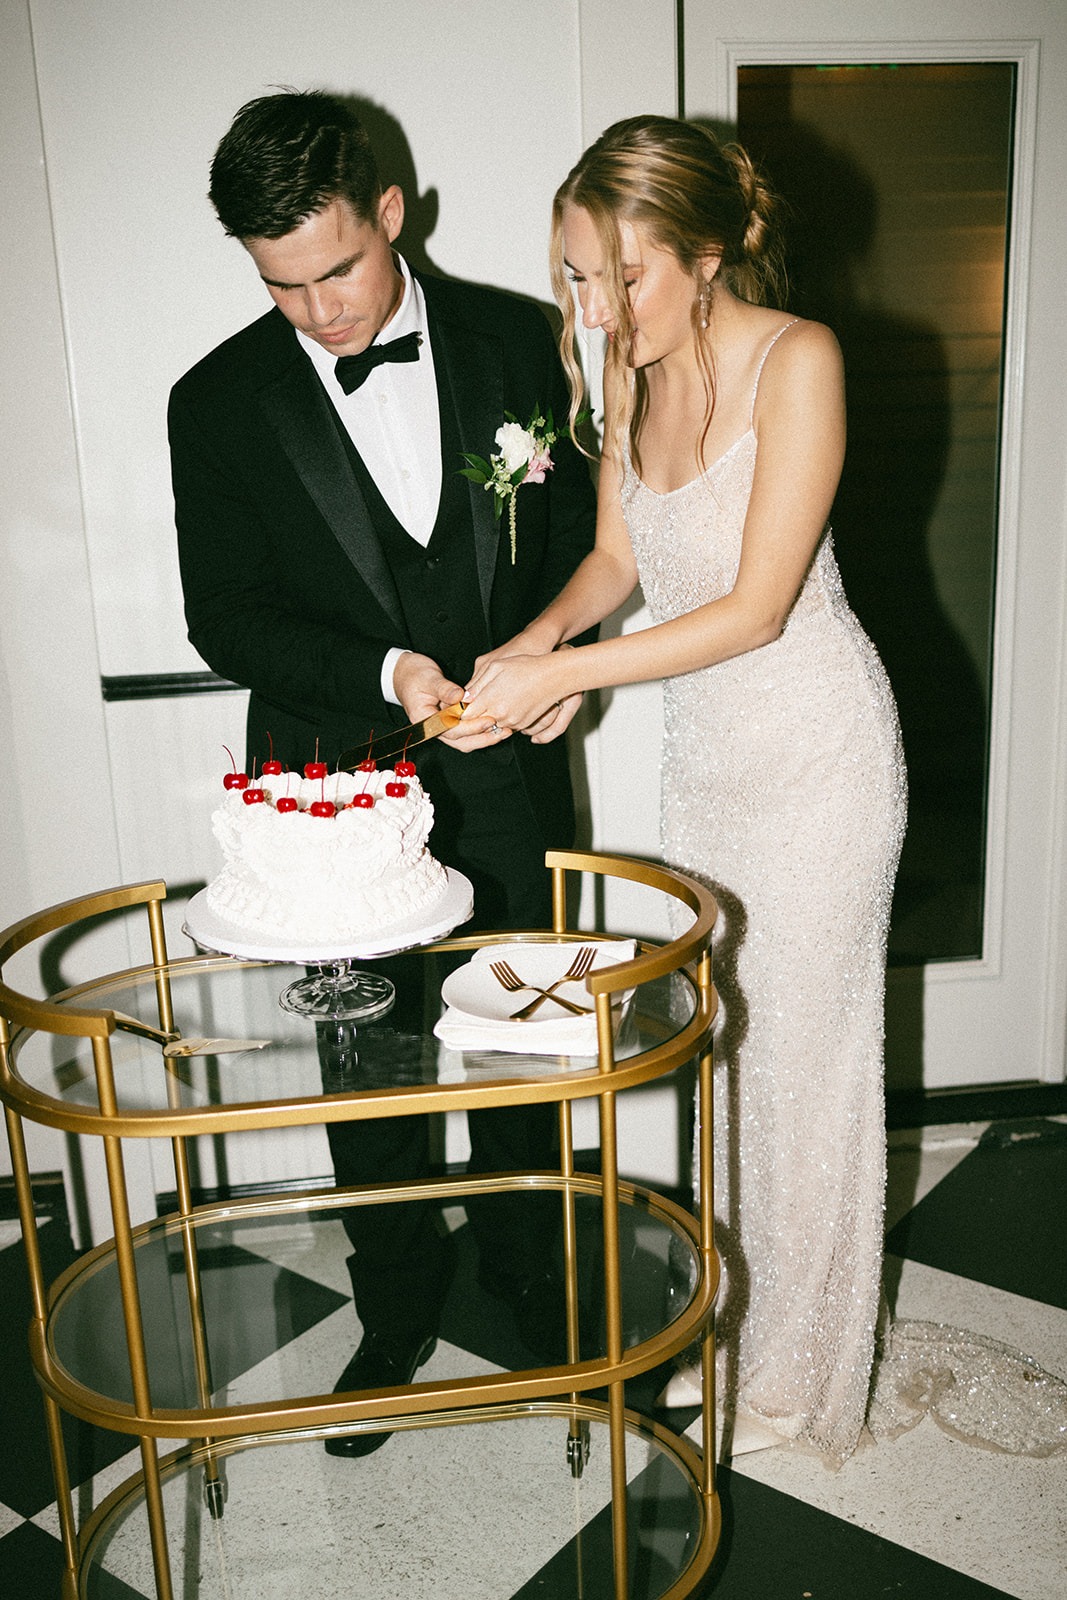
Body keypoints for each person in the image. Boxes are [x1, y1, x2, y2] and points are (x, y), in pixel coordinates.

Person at [463, 115, 908, 1465]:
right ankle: (744, 1330)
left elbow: (759, 605)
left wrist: (573, 682)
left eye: (619, 277)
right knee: (731, 1058)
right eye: (572, 280)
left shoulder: (800, 361)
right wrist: (541, 645)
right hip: (707, 767)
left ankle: (798, 1377)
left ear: (707, 253)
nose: (594, 310)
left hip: (820, 761)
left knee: (808, 1070)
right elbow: (617, 561)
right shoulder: (624, 377)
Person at [169, 91, 596, 1454]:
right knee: (374, 1069)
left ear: (392, 214)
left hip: (512, 773)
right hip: (336, 799)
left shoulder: (522, 341)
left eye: (338, 270)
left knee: (522, 1038)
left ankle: (536, 1279)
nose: (323, 314)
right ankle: (396, 1309)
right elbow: (223, 614)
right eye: (282, 287)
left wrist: (556, 674)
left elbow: (586, 536)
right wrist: (386, 673)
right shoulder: (215, 400)